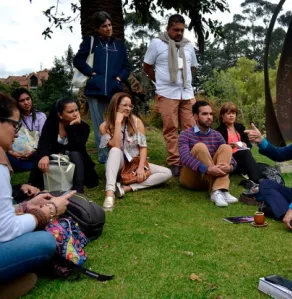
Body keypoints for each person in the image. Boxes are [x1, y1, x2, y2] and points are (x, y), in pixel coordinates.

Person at [0, 91, 74, 298]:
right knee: (44, 242)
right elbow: (3, 231)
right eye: (15, 125)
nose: (17, 133)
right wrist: (49, 211)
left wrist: (24, 207)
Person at [143, 14, 198, 177]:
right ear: (168, 28)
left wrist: (185, 78)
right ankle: (174, 162)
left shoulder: (188, 45)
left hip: (187, 92)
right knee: (171, 128)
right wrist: (159, 82)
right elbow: (147, 66)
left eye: (182, 30)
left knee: (191, 127)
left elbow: (193, 67)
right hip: (167, 93)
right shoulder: (157, 43)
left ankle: (189, 160)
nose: (179, 33)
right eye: (176, 30)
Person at [73, 11, 131, 164]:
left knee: (116, 122)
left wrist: (119, 78)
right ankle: (103, 155)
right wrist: (91, 73)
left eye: (110, 25)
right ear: (98, 28)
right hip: (95, 90)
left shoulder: (119, 45)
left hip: (114, 90)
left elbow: (127, 66)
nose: (108, 28)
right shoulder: (90, 42)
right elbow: (78, 60)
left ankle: (118, 151)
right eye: (104, 26)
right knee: (100, 124)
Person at [99, 92, 172, 211]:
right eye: (124, 105)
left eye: (130, 106)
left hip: (134, 164)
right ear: (116, 106)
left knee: (167, 173)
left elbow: (143, 147)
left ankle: (127, 188)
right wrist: (118, 123)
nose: (128, 108)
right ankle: (110, 194)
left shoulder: (137, 122)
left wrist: (140, 167)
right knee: (115, 151)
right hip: (117, 165)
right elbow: (115, 145)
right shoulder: (104, 126)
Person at [28, 98, 99, 194]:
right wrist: (44, 155)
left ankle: (79, 189)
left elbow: (77, 146)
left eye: (76, 110)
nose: (75, 114)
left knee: (75, 154)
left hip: (75, 159)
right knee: (41, 156)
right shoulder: (51, 124)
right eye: (70, 112)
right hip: (54, 157)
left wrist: (72, 126)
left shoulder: (83, 127)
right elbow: (43, 143)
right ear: (60, 115)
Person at [179, 101, 238, 207]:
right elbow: (184, 157)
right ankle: (219, 189)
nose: (209, 117)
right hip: (191, 178)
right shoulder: (185, 134)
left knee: (226, 147)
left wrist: (230, 167)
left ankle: (218, 190)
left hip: (208, 180)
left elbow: (232, 159)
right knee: (200, 147)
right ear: (196, 116)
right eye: (205, 114)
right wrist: (207, 169)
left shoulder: (217, 135)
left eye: (210, 114)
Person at [216, 102, 262, 183]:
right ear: (222, 116)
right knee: (246, 154)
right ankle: (257, 180)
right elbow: (217, 149)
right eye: (228, 113)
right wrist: (228, 146)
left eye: (233, 113)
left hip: (241, 158)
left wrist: (244, 144)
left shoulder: (240, 127)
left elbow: (249, 145)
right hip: (229, 159)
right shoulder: (219, 131)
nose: (231, 115)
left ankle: (256, 178)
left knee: (247, 153)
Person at [7, 88, 47, 171]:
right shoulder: (12, 118)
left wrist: (33, 152)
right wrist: (12, 153)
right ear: (16, 103)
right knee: (6, 156)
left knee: (40, 154)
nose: (26, 103)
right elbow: (7, 138)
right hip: (16, 153)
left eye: (28, 99)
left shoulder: (40, 116)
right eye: (22, 101)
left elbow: (44, 138)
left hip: (35, 152)